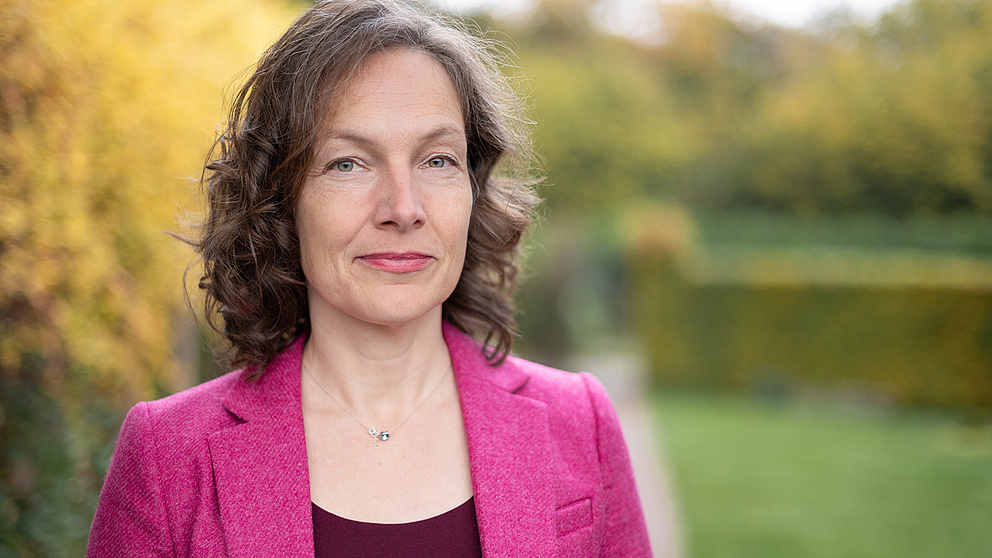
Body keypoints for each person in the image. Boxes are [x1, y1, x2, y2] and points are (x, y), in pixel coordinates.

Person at [86, 0, 651, 556]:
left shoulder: (580, 424)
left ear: (473, 190)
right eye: (348, 163)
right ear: (281, 200)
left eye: (437, 160)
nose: (403, 209)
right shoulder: (168, 456)